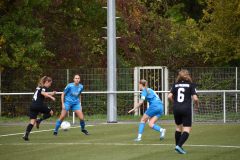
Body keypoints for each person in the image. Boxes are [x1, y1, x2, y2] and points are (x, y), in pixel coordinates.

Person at [168, 69, 199, 154]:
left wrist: (175, 102)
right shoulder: (191, 85)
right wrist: (197, 105)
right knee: (187, 129)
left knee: (178, 127)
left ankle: (177, 147)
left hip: (176, 108)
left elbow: (169, 96)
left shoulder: (175, 85)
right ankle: (179, 146)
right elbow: (195, 98)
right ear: (188, 76)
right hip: (186, 109)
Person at [23, 76, 56, 141]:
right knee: (51, 112)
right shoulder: (44, 87)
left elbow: (43, 95)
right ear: (46, 82)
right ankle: (39, 120)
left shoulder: (39, 87)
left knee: (32, 122)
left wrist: (51, 93)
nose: (50, 85)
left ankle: (26, 135)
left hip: (32, 105)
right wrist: (51, 97)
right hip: (39, 105)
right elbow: (43, 93)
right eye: (50, 83)